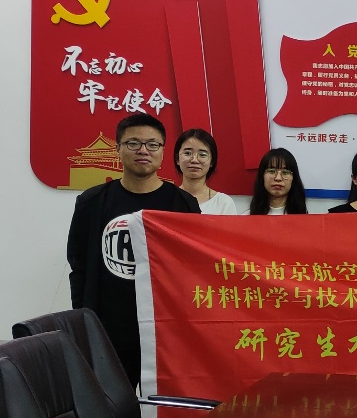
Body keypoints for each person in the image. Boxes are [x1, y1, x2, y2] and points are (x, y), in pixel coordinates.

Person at [67, 112, 200, 382]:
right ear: (118, 149)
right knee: (111, 403)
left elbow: (194, 269)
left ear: (163, 152)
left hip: (165, 330)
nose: (143, 150)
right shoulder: (92, 202)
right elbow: (78, 266)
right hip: (106, 332)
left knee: (164, 404)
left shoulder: (183, 205)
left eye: (152, 144)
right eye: (133, 143)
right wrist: (83, 321)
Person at [174, 127, 238, 214]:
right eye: (187, 153)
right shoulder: (165, 200)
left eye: (203, 154)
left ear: (212, 162)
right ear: (177, 159)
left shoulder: (223, 203)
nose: (194, 160)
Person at [249, 147, 310, 215]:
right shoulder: (246, 218)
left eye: (285, 172)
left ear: (294, 178)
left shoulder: (304, 218)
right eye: (272, 171)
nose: (278, 178)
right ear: (262, 176)